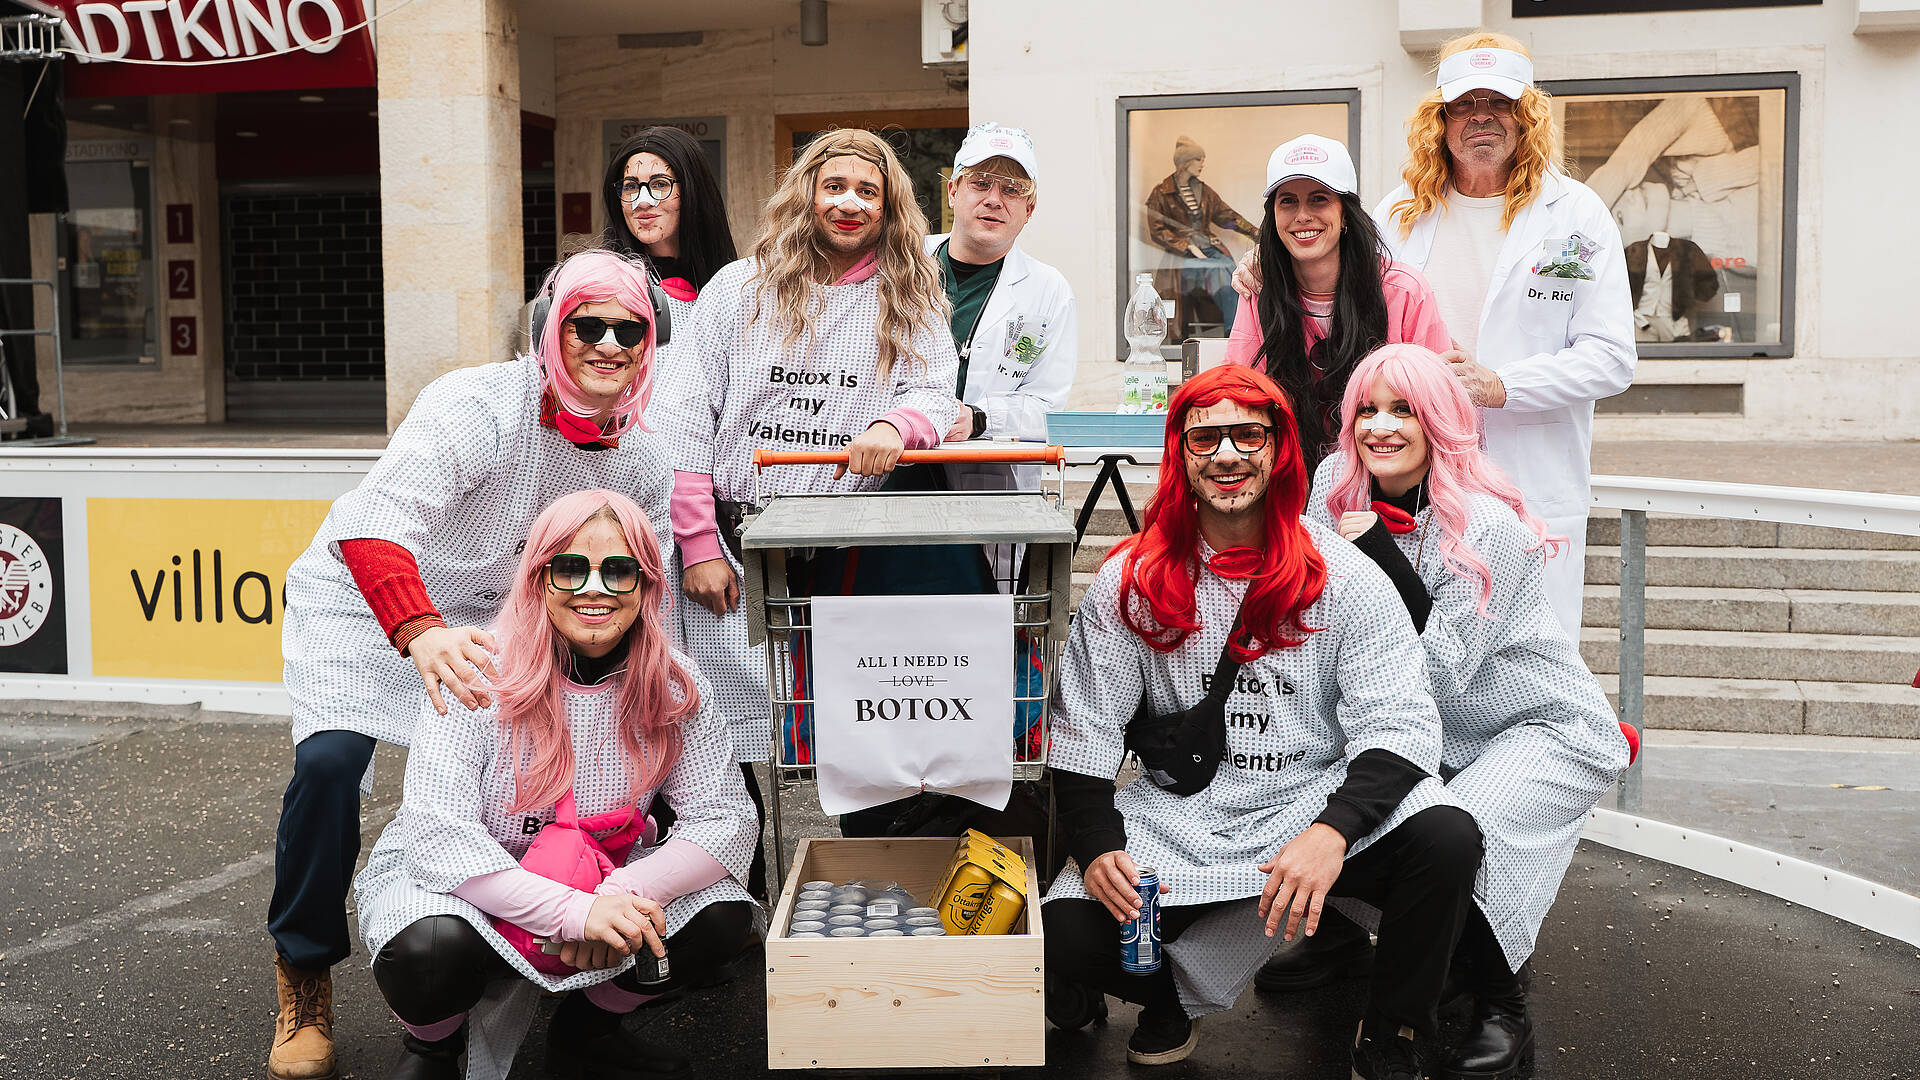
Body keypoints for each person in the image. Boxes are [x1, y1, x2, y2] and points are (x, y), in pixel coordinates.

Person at [268, 249, 677, 1080]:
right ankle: (304, 974)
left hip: (498, 626)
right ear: (548, 330)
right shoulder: (475, 403)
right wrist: (418, 630)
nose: (606, 343)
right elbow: (375, 522)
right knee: (331, 763)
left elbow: (647, 582)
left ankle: (511, 948)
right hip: (374, 603)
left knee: (511, 788)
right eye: (585, 325)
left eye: (627, 328)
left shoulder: (640, 455)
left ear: (648, 343)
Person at [1042, 364, 1482, 1079]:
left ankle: (1392, 1032)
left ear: (1279, 451)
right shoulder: (1132, 579)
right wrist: (1095, 849)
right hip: (1186, 816)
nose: (1226, 455)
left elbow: (1401, 725)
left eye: (1248, 434)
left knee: (1444, 834)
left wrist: (1332, 831)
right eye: (1205, 438)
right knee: (1065, 930)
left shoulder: (1346, 574)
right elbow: (1084, 728)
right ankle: (1168, 1002)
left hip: (1312, 797)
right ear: (1180, 457)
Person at [1277, 344, 1629, 1079]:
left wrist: (1378, 553)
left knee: (1466, 826)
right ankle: (1416, 963)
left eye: (1403, 409)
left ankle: (1503, 1002)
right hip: (1423, 724)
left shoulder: (1490, 527)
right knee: (1354, 811)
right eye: (1366, 409)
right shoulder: (1329, 491)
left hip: (1535, 725)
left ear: (1439, 420)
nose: (1381, 426)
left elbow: (1440, 671)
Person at [1235, 32, 1635, 639]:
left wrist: (1501, 386)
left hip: (1532, 467)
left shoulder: (1577, 216)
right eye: (1464, 105)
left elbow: (1611, 359)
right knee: (1418, 640)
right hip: (1415, 480)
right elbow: (1323, 263)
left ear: (1526, 115)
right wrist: (1262, 265)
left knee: (1535, 648)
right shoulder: (1399, 214)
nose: (1482, 117)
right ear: (1440, 119)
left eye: (1498, 103)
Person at [355, 490, 758, 1080]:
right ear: (538, 579)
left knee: (721, 918)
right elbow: (439, 836)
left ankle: (588, 1032)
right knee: (429, 951)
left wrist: (614, 900)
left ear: (647, 586)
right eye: (570, 567)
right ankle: (433, 1045)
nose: (594, 588)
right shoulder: (478, 670)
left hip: (606, 873)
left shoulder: (675, 682)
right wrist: (571, 913)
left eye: (619, 570)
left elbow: (726, 819)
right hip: (475, 881)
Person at [658, 127, 960, 848]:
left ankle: (876, 872)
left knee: (857, 723)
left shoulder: (908, 294)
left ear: (890, 208)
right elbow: (682, 415)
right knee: (723, 737)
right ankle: (730, 891)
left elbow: (936, 391)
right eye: (834, 187)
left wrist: (898, 424)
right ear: (807, 193)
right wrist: (697, 540)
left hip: (845, 544)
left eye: (868, 191)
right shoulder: (741, 287)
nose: (849, 203)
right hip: (735, 546)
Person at [1223, 134, 1449, 469]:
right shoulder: (1258, 291)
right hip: (1290, 477)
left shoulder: (1404, 292)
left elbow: (1439, 412)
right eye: (1287, 201)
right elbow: (1240, 395)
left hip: (1393, 482)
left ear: (1346, 214)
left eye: (1318, 199)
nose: (1302, 216)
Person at [926, 121, 1077, 490]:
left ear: (1030, 208)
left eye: (1012, 189)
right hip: (890, 466)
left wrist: (978, 418)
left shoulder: (1049, 291)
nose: (994, 198)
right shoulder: (897, 265)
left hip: (984, 480)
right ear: (952, 191)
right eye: (980, 183)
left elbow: (1048, 406)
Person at [1146, 135, 1258, 338]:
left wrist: (1255, 232)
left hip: (1207, 251)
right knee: (1182, 299)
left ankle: (1234, 332)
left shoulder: (1204, 192)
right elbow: (1157, 230)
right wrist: (1186, 245)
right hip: (1179, 256)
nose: (1202, 164)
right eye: (1199, 159)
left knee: (1229, 275)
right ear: (1185, 161)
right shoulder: (1161, 192)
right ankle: (1180, 341)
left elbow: (1227, 216)